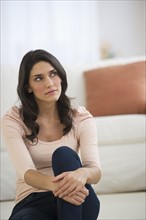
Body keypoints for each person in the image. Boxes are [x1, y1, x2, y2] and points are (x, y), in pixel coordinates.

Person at [1, 49, 102, 220]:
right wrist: (59, 187)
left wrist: (82, 174)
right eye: (39, 78)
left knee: (64, 155)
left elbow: (95, 171)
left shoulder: (81, 118)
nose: (50, 83)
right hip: (34, 200)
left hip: (78, 198)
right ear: (28, 87)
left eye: (53, 74)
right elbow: (27, 173)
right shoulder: (13, 120)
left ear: (61, 76)